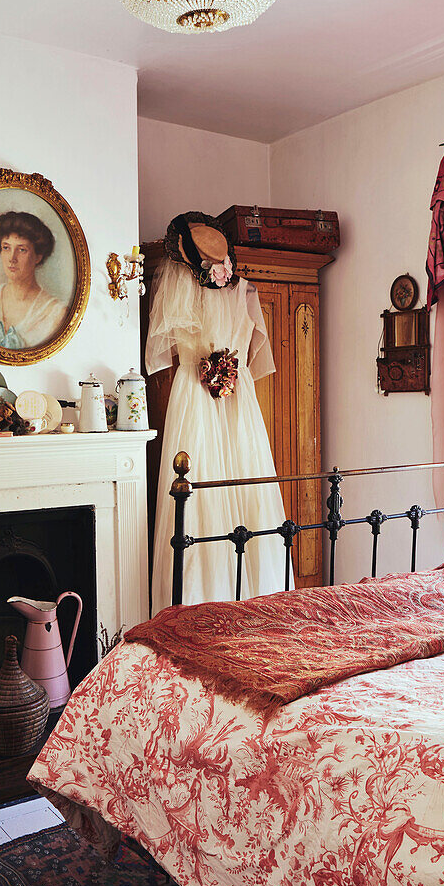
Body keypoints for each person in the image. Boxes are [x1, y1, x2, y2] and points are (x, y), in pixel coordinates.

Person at [146, 211, 290, 615]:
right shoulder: (180, 289)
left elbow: (251, 354)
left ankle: (252, 597)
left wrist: (227, 366)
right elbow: (161, 355)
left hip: (233, 400)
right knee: (198, 487)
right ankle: (201, 600)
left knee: (243, 485)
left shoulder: (244, 291)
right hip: (197, 396)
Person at [0, 211, 66, 350]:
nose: (12, 258)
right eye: (6, 248)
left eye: (22, 250)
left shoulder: (54, 314)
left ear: (38, 256)